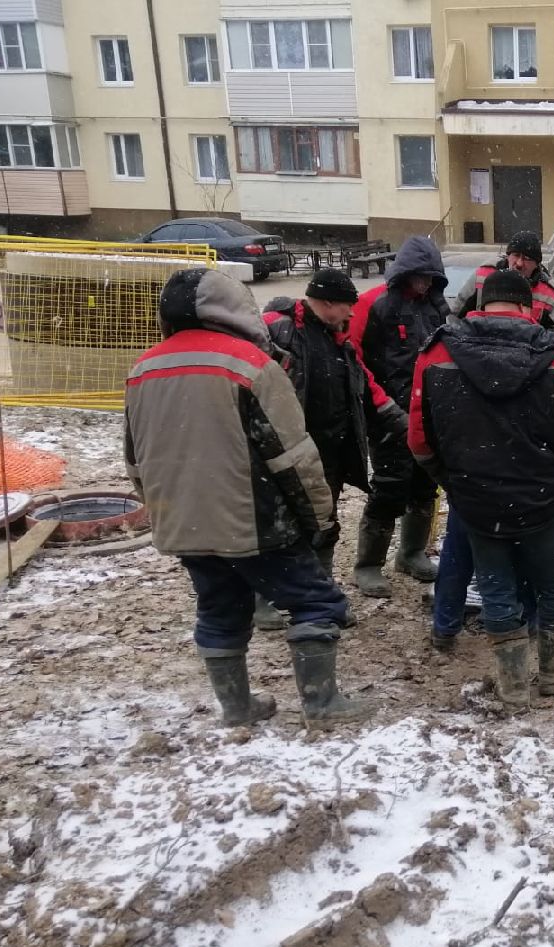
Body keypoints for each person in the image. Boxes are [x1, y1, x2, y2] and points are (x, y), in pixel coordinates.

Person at [124, 267, 374, 727]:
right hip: (254, 519)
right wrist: (319, 517)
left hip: (186, 521)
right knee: (316, 602)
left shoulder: (144, 368)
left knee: (220, 608)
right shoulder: (251, 364)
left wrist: (165, 509)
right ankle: (321, 704)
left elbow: (136, 459)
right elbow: (291, 456)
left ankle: (237, 709)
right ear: (234, 309)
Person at [410, 271, 554, 705]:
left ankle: (513, 685)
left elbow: (420, 441)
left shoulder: (437, 353)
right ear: (526, 307)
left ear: (481, 305)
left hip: (477, 502)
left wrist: (456, 484)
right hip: (545, 499)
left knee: (496, 588)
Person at [429, 323, 554, 651]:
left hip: (475, 486)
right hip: (539, 491)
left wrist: (455, 483)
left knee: (474, 566)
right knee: (547, 573)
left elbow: (425, 437)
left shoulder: (464, 357)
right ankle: (540, 638)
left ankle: (446, 627)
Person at [254, 268, 408, 628]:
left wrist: (405, 424)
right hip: (285, 452)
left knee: (324, 524)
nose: (351, 313)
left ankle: (319, 595)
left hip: (330, 453)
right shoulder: (278, 329)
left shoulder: (340, 341)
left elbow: (368, 389)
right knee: (278, 527)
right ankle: (263, 599)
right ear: (325, 302)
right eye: (345, 305)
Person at [349, 236, 451, 597]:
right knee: (390, 486)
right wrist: (381, 404)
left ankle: (411, 553)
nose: (425, 284)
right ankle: (368, 564)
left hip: (428, 412)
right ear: (406, 273)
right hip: (387, 414)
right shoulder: (371, 304)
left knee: (425, 483)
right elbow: (352, 359)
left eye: (431, 278)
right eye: (421, 277)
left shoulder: (436, 307)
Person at [453, 231, 554, 329]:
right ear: (508, 256)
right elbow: (455, 316)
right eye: (516, 255)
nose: (519, 263)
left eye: (527, 258)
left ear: (537, 264)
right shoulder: (483, 275)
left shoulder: (550, 294)